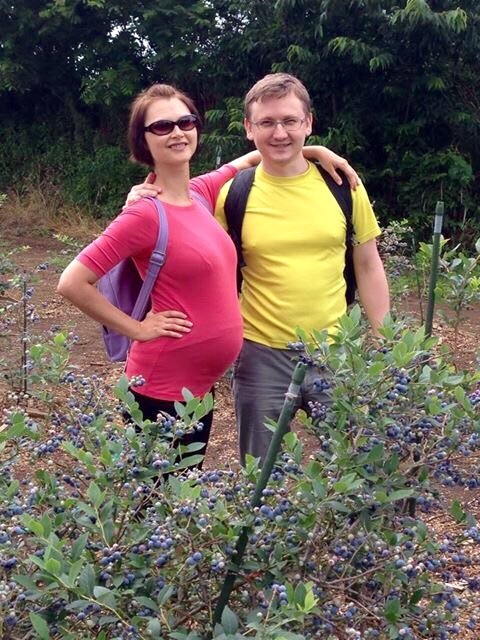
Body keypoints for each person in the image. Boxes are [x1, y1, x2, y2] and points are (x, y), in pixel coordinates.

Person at [57, 82, 357, 467]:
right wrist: (137, 329)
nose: (177, 132)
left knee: (183, 488)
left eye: (186, 121)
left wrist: (315, 151)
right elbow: (72, 282)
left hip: (197, 388)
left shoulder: (199, 193)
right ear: (142, 141)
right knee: (161, 494)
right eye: (162, 126)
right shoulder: (144, 213)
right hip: (161, 385)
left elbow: (253, 158)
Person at [126, 74, 390, 466]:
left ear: (308, 123)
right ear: (249, 128)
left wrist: (385, 341)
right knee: (262, 475)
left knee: (354, 467)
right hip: (259, 355)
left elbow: (368, 265)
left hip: (336, 351)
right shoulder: (232, 194)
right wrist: (142, 200)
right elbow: (187, 243)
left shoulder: (343, 185)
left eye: (290, 121)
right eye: (267, 123)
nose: (279, 133)